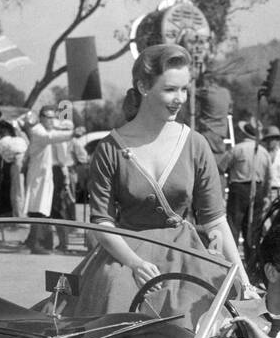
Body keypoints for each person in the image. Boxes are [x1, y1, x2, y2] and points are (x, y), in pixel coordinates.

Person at [73, 43, 245, 320]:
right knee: (113, 310)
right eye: (170, 89)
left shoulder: (195, 144)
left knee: (198, 315)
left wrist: (244, 280)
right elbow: (102, 222)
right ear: (143, 86)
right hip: (125, 255)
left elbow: (215, 220)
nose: (180, 98)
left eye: (184, 89)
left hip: (185, 256)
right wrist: (134, 263)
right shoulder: (110, 148)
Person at [24, 103, 76, 253]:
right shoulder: (38, 131)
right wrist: (72, 134)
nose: (51, 121)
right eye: (48, 117)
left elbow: (61, 153)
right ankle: (36, 243)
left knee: (46, 209)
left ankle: (43, 242)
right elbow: (50, 138)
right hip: (38, 176)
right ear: (41, 118)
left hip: (48, 175)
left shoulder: (49, 130)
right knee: (38, 209)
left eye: (53, 118)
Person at [226, 120, 271, 256]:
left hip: (239, 188)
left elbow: (223, 166)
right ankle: (252, 258)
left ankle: (231, 257)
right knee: (253, 226)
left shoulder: (237, 149)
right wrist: (266, 195)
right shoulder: (264, 152)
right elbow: (269, 177)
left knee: (234, 224)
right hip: (257, 189)